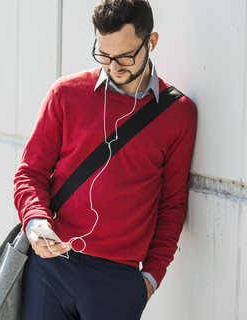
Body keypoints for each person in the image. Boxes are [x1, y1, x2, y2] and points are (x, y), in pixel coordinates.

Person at [13, 0, 197, 319]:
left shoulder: (178, 114)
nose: (113, 67)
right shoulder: (65, 94)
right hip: (51, 269)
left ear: (151, 42)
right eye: (104, 55)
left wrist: (150, 279)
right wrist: (36, 222)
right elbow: (31, 174)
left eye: (125, 56)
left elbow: (173, 204)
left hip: (118, 281)